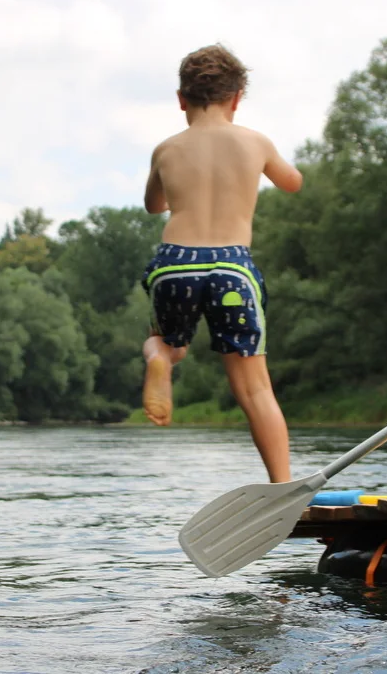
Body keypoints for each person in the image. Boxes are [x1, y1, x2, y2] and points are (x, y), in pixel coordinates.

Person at [138, 44, 304, 483]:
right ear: (237, 98)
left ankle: (158, 359)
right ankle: (282, 486)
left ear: (180, 99)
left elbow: (153, 204)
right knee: (254, 388)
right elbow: (293, 183)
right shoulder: (253, 141)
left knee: (167, 345)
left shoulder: (166, 149)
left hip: (175, 263)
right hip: (232, 266)